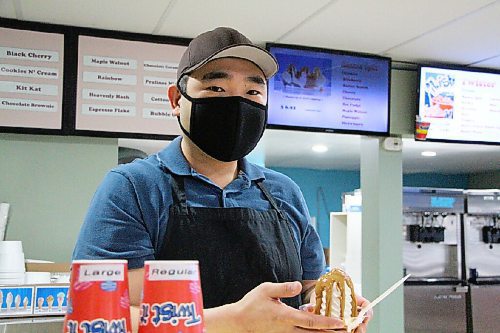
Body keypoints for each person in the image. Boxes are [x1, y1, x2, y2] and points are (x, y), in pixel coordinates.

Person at [73, 27, 371, 332]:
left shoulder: (284, 193)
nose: (237, 106)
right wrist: (235, 322)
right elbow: (102, 317)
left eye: (253, 92)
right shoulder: (133, 189)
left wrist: (336, 307)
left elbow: (309, 286)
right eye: (216, 89)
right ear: (176, 100)